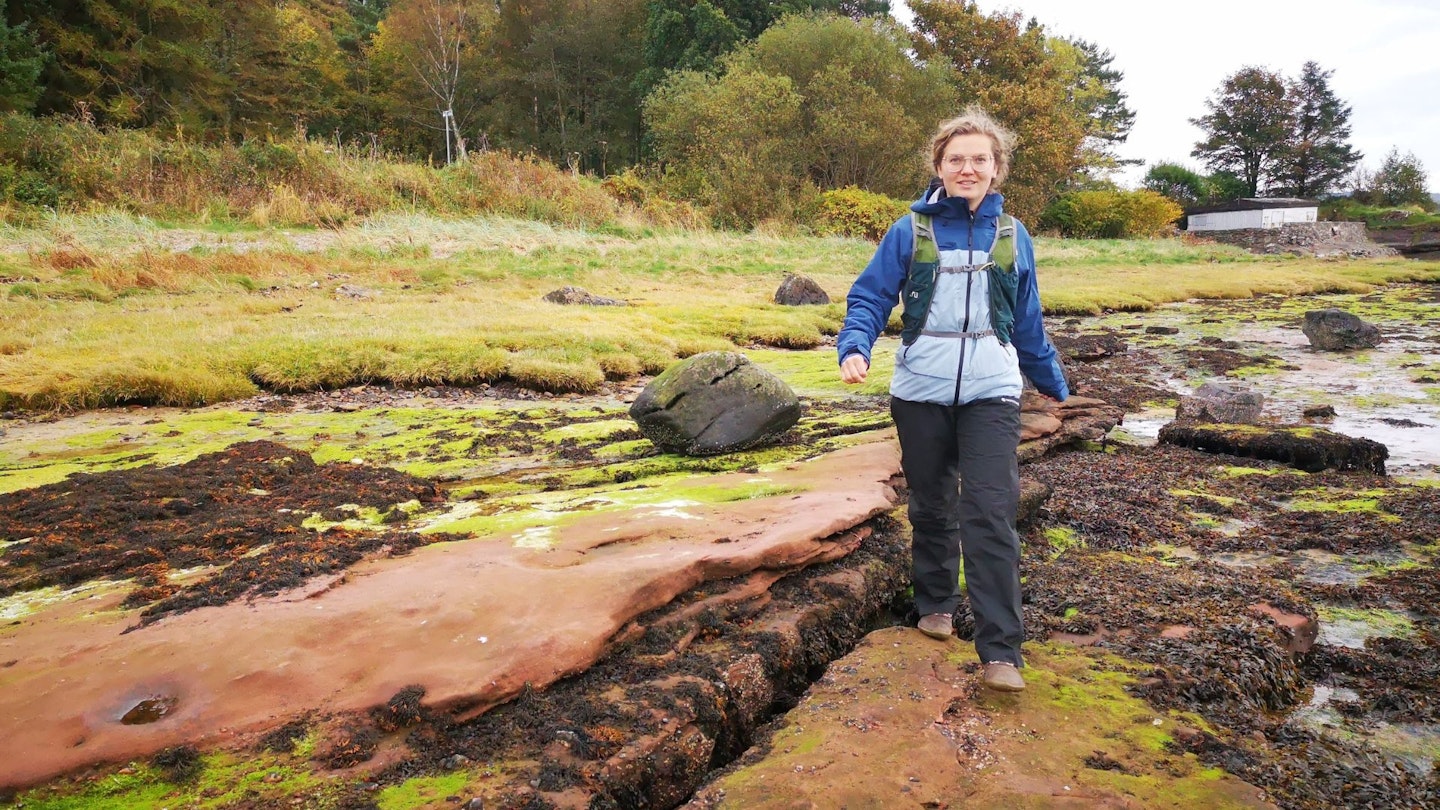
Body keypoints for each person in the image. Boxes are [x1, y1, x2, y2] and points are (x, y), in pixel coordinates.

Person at [836, 107, 1068, 693]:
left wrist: (1053, 384)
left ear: (996, 169)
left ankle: (1001, 652)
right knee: (933, 505)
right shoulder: (909, 230)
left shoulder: (1013, 236)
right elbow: (869, 295)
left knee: (991, 512)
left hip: (993, 391)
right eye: (956, 159)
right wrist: (854, 346)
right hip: (919, 391)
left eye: (979, 160)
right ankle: (934, 602)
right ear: (939, 166)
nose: (968, 168)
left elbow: (1027, 318)